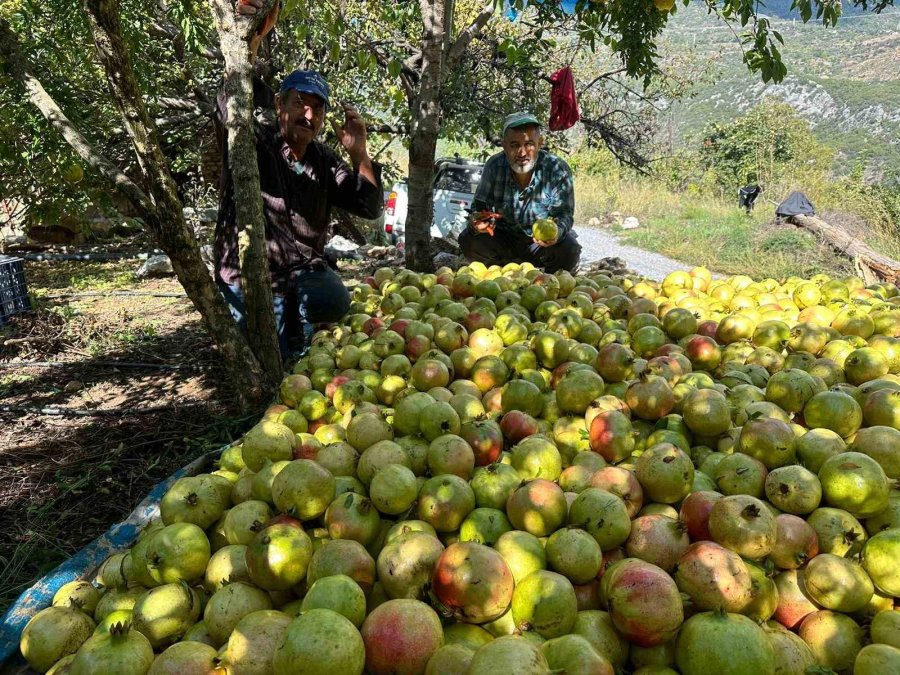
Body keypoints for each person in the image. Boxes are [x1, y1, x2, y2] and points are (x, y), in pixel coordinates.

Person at [213, 0, 383, 358]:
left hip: (300, 274)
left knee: (333, 300)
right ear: (279, 105)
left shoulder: (322, 159)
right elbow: (232, 98)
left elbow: (368, 206)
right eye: (299, 104)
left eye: (318, 108)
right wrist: (252, 41)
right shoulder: (253, 140)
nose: (309, 115)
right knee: (271, 355)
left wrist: (359, 153)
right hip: (250, 278)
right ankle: (288, 333)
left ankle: (301, 327)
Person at [458, 112, 580, 273]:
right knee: (468, 239)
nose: (522, 153)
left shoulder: (556, 169)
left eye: (529, 144)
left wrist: (555, 234)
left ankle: (549, 279)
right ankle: (496, 273)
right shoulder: (494, 166)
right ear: (504, 145)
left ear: (540, 144)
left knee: (569, 249)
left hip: (540, 245)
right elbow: (479, 208)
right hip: (504, 239)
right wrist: (478, 221)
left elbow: (564, 214)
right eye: (514, 145)